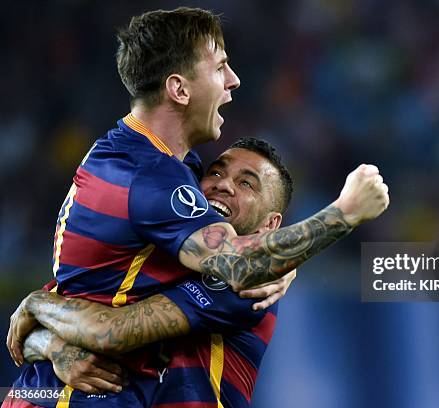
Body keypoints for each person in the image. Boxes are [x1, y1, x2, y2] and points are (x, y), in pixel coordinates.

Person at [5, 6, 388, 407]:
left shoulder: (146, 162)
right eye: (220, 67)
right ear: (180, 90)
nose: (233, 81)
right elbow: (238, 267)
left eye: (245, 184)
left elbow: (93, 304)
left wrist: (42, 322)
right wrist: (345, 212)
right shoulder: (151, 177)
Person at [5, 138, 296, 407]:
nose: (224, 185)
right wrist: (54, 347)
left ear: (270, 225)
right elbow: (27, 330)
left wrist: (36, 304)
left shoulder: (245, 286)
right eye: (217, 173)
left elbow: (108, 330)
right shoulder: (157, 260)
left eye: (247, 184)